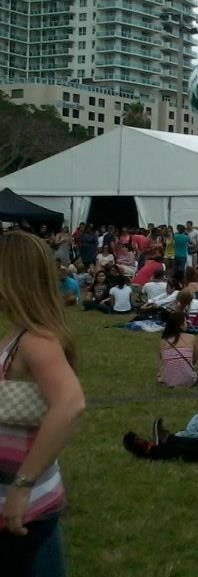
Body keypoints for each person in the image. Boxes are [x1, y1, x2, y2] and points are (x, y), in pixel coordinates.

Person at [0, 231, 86, 576]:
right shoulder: (19, 333)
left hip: (24, 507)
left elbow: (69, 404)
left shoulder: (36, 341)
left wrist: (23, 485)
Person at [157, 312, 198, 388]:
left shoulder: (163, 341)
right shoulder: (191, 338)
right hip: (189, 380)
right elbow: (194, 360)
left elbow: (162, 360)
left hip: (167, 380)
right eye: (185, 321)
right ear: (181, 325)